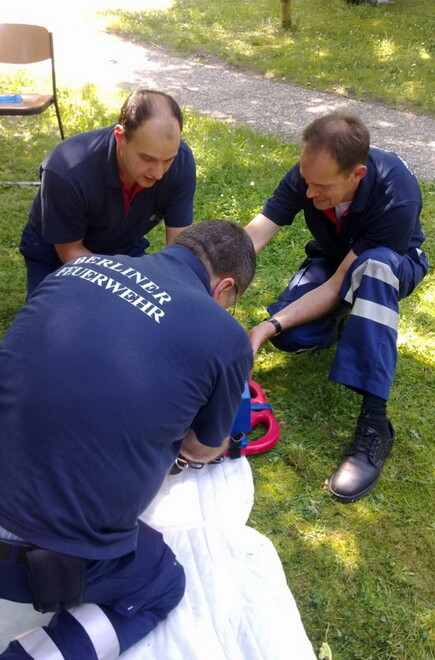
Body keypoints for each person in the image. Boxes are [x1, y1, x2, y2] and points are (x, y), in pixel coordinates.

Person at [0, 219, 256, 658]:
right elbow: (201, 448)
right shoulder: (225, 337)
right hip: (31, 563)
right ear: (224, 288)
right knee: (162, 583)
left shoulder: (77, 268)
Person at [245, 112, 429, 503]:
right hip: (335, 258)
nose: (309, 194)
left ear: (357, 174)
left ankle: (375, 427)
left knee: (373, 270)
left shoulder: (398, 194)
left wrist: (262, 328)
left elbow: (334, 286)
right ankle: (353, 323)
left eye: (321, 187)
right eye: (306, 181)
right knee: (293, 337)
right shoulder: (310, 174)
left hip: (391, 265)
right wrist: (209, 279)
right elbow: (256, 233)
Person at [19, 88, 197, 297]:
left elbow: (179, 244)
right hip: (56, 254)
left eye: (168, 160)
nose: (159, 173)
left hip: (123, 246)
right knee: (56, 324)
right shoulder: (67, 171)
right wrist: (124, 286)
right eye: (147, 159)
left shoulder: (181, 161)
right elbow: (70, 251)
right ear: (120, 136)